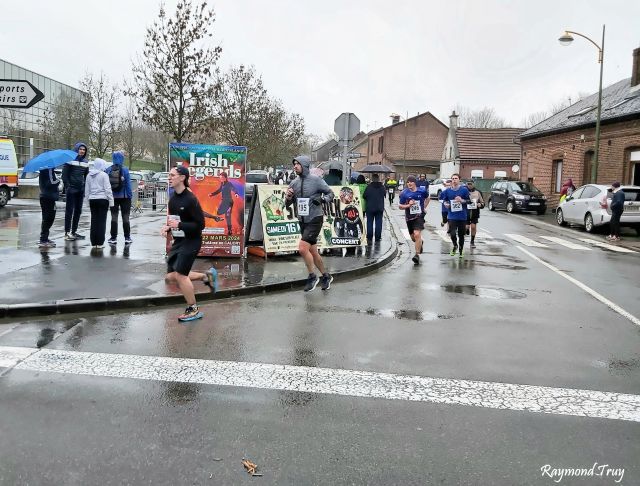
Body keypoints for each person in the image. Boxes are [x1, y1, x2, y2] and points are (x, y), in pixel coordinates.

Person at [161, 165, 217, 322]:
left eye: (172, 175)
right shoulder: (173, 200)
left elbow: (200, 225)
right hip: (179, 241)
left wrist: (178, 226)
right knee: (170, 278)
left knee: (181, 275)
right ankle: (206, 276)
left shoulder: (191, 199)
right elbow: (176, 222)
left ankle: (193, 309)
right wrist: (168, 228)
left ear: (182, 178)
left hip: (192, 240)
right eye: (169, 175)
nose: (169, 178)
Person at [285, 155, 335, 291]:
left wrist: (323, 200)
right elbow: (287, 203)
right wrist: (288, 197)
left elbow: (331, 194)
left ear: (305, 165)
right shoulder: (293, 183)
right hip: (302, 220)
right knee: (313, 251)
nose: (295, 166)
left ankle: (313, 276)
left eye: (298, 164)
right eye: (294, 164)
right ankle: (326, 276)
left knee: (302, 249)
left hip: (315, 218)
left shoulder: (316, 180)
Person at [398, 175, 429, 265]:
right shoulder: (404, 193)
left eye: (411, 182)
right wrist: (408, 205)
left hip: (419, 216)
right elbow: (400, 206)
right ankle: (420, 243)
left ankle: (417, 255)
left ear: (414, 182)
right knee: (413, 237)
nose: (409, 183)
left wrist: (424, 207)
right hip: (409, 217)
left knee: (417, 233)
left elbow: (428, 198)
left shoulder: (422, 191)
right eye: (407, 182)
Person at [84, 158, 114, 249]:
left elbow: (87, 190)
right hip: (102, 200)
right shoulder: (104, 175)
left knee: (94, 221)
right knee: (101, 221)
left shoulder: (89, 175)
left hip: (92, 200)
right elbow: (107, 189)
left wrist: (87, 202)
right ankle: (100, 243)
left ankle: (93, 242)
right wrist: (111, 201)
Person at [62, 142, 89, 240]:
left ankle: (74, 232)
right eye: (80, 149)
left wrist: (85, 187)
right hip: (71, 189)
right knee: (69, 211)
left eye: (84, 149)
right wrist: (68, 187)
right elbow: (64, 176)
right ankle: (67, 232)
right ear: (77, 149)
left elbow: (87, 176)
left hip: (80, 190)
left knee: (78, 211)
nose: (82, 151)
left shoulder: (86, 162)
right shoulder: (69, 160)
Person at [441, 173, 471, 258]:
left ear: (459, 180)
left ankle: (461, 249)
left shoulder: (464, 190)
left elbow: (469, 201)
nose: (454, 180)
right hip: (452, 216)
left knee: (461, 235)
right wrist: (446, 204)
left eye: (456, 178)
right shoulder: (447, 191)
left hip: (462, 216)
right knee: (452, 233)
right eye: (453, 178)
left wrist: (462, 200)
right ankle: (455, 245)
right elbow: (444, 200)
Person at [106, 151, 133, 245]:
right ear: (122, 158)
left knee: (114, 217)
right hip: (125, 197)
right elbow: (129, 185)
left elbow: (107, 185)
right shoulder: (125, 170)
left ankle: (113, 238)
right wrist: (130, 196)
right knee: (125, 217)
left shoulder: (108, 169)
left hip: (113, 197)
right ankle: (127, 237)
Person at [37, 167, 61, 248]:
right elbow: (51, 182)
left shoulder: (46, 170)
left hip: (46, 196)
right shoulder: (49, 169)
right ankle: (43, 239)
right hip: (48, 197)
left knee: (48, 218)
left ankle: (45, 238)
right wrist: (58, 180)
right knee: (48, 218)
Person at [363, 174, 386, 244]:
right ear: (378, 179)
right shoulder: (382, 187)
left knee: (369, 222)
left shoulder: (368, 187)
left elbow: (364, 196)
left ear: (372, 179)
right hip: (379, 207)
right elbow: (384, 195)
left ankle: (369, 237)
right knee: (378, 223)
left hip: (370, 207)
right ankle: (377, 237)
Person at [465, 180, 485, 248]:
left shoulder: (478, 192)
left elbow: (483, 203)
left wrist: (480, 205)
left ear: (474, 184)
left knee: (473, 227)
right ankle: (467, 229)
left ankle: (472, 242)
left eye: (471, 184)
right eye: (468, 184)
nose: (469, 185)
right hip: (466, 212)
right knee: (466, 227)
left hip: (475, 212)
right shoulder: (464, 191)